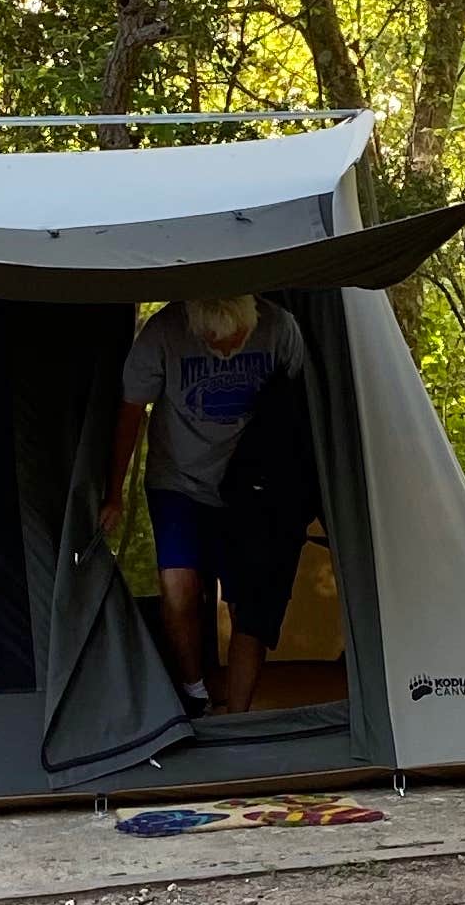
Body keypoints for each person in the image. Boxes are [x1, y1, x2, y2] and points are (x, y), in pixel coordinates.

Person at [105, 292, 311, 711]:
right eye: (218, 346)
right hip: (178, 479)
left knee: (248, 601)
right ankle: (194, 690)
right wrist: (114, 493)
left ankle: (238, 714)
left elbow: (304, 408)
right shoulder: (163, 333)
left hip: (252, 485)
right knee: (178, 586)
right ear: (197, 331)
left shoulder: (281, 329)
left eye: (237, 341)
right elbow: (130, 410)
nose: (229, 351)